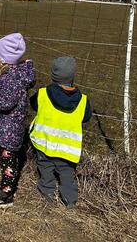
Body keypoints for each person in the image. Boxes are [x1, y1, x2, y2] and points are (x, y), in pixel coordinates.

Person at [0, 33, 35, 208]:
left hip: (8, 132)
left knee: (8, 163)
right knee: (8, 160)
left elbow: (3, 102)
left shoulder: (11, 79)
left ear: (4, 60)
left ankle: (5, 194)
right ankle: (5, 186)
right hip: (9, 128)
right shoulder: (17, 74)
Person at [29, 56, 92, 208]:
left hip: (44, 143)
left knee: (45, 168)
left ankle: (47, 194)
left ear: (53, 75)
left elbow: (33, 104)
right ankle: (70, 200)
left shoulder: (42, 94)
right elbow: (86, 117)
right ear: (72, 76)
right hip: (67, 149)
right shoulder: (83, 100)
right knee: (67, 174)